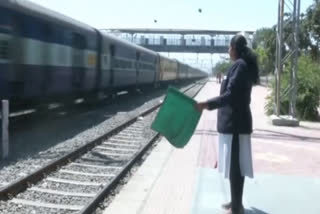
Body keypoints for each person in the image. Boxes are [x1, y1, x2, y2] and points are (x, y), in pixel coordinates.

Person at [195, 34, 259, 214]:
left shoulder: (240, 67)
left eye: (229, 47)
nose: (227, 50)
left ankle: (237, 208)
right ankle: (235, 202)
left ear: (234, 48)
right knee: (235, 167)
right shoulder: (239, 66)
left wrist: (207, 104)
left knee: (236, 168)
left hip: (236, 125)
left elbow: (231, 95)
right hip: (235, 124)